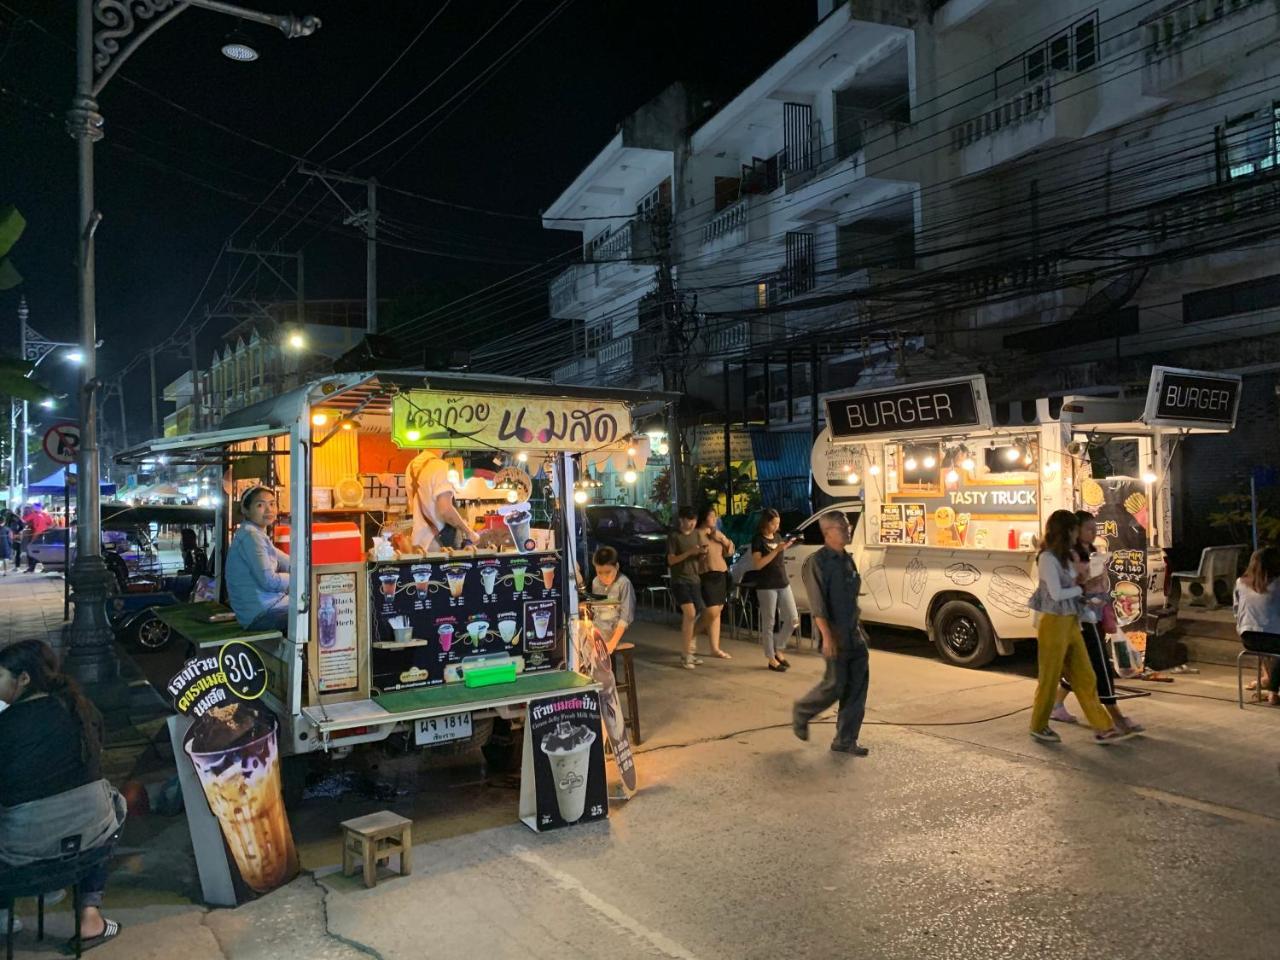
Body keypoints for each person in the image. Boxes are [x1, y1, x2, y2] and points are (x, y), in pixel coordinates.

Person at [0, 640, 125, 949]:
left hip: (22, 854)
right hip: (88, 846)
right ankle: (89, 915)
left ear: (24, 679)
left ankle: (3, 913)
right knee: (112, 804)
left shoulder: (6, 725)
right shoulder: (82, 708)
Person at [1029, 510, 1131, 745]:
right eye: (1076, 529)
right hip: (1053, 622)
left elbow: (1074, 586)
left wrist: (1084, 583)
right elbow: (1056, 594)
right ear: (1066, 531)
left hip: (1072, 620)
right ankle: (1038, 725)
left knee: (1085, 675)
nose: (1079, 534)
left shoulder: (1065, 556)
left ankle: (1103, 726)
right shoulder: (1047, 558)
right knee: (1049, 677)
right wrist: (1081, 589)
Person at [1051, 511, 1143, 733]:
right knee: (1099, 665)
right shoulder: (1066, 555)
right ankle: (1114, 717)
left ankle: (1056, 704)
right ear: (1073, 530)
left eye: (1095, 529)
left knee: (1083, 665)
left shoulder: (1090, 551)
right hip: (1083, 617)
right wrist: (1087, 575)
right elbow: (1065, 586)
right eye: (1088, 529)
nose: (1093, 533)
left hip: (1096, 614)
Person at [793, 512, 870, 755]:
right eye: (842, 527)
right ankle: (802, 711)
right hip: (835, 634)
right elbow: (818, 604)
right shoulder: (819, 562)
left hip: (854, 633)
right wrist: (826, 636)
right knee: (835, 685)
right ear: (828, 533)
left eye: (847, 525)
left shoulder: (847, 559)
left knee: (857, 688)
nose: (848, 530)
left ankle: (845, 740)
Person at [225, 486, 291, 632]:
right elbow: (269, 581)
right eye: (260, 505)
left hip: (266, 608)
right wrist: (297, 580)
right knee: (316, 614)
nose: (269, 510)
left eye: (272, 504)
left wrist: (308, 569)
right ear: (246, 510)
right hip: (262, 614)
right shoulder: (251, 537)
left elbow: (286, 561)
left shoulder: (256, 534)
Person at [751, 508, 799, 671]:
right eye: (774, 523)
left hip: (782, 582)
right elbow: (758, 564)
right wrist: (776, 550)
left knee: (793, 618)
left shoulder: (778, 537)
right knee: (769, 622)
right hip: (766, 585)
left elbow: (778, 556)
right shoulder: (757, 540)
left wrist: (785, 547)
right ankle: (771, 658)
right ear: (766, 523)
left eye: (778, 523)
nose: (777, 526)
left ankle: (779, 648)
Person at [1234, 546, 1280, 705]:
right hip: (1272, 638)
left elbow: (1236, 609)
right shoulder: (1277, 584)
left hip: (1248, 637)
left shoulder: (1240, 583)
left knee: (1266, 643)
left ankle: (1268, 680)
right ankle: (1273, 692)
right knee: (1274, 642)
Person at [406, 449, 474, 553]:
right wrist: (469, 532)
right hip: (439, 543)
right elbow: (446, 511)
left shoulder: (411, 466)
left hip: (419, 540)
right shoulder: (440, 467)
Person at [667, 506, 707, 669]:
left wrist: (702, 553)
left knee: (700, 613)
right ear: (681, 520)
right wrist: (689, 552)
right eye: (688, 520)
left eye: (694, 520)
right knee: (690, 613)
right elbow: (671, 560)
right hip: (679, 580)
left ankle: (689, 650)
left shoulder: (697, 534)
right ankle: (686, 655)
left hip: (694, 579)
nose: (691, 524)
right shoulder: (674, 537)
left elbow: (699, 556)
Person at [696, 505, 734, 660]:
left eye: (715, 516)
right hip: (707, 574)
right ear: (704, 518)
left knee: (718, 610)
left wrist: (722, 539)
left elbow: (730, 551)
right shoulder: (697, 534)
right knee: (711, 610)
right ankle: (691, 633)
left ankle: (715, 647)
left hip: (721, 573)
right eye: (712, 516)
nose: (715, 519)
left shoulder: (716, 534)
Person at [590, 546, 636, 655]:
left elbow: (626, 617)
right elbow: (595, 610)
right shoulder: (595, 582)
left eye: (608, 572)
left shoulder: (624, 583)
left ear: (617, 567)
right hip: (596, 632)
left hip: (614, 633)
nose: (603, 577)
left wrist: (612, 643)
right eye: (599, 572)